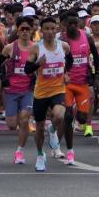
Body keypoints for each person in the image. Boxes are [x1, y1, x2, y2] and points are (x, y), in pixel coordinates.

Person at [29, 16, 71, 172]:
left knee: (59, 116)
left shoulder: (63, 46)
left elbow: (70, 60)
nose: (50, 32)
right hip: (40, 93)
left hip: (58, 90)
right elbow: (27, 69)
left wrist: (66, 73)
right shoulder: (36, 48)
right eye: (46, 29)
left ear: (57, 29)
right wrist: (37, 64)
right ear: (41, 30)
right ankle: (40, 155)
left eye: (53, 29)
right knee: (39, 128)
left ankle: (52, 130)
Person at [59, 10, 98, 164]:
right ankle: (70, 150)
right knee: (68, 116)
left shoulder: (87, 37)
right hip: (67, 83)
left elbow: (95, 57)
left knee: (82, 119)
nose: (73, 26)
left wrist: (96, 77)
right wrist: (63, 73)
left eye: (76, 23)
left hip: (82, 83)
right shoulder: (62, 40)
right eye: (70, 24)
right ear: (65, 25)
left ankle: (56, 129)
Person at [0, 15, 36, 164]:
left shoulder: (36, 48)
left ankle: (20, 151)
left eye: (28, 29)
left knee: (24, 119)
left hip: (28, 90)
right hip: (11, 91)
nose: (25, 31)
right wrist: (3, 79)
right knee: (11, 125)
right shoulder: (10, 48)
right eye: (22, 29)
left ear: (32, 30)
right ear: (18, 30)